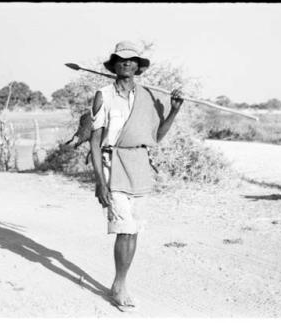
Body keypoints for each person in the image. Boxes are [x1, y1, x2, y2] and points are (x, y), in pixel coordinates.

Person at [89, 40, 184, 311]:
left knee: (134, 231)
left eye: (132, 60)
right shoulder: (103, 95)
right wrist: (99, 181)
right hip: (112, 163)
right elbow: (95, 141)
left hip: (140, 163)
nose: (127, 63)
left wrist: (174, 110)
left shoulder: (149, 96)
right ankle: (119, 286)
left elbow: (157, 136)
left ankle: (120, 283)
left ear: (138, 66)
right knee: (124, 228)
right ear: (115, 64)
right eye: (121, 59)